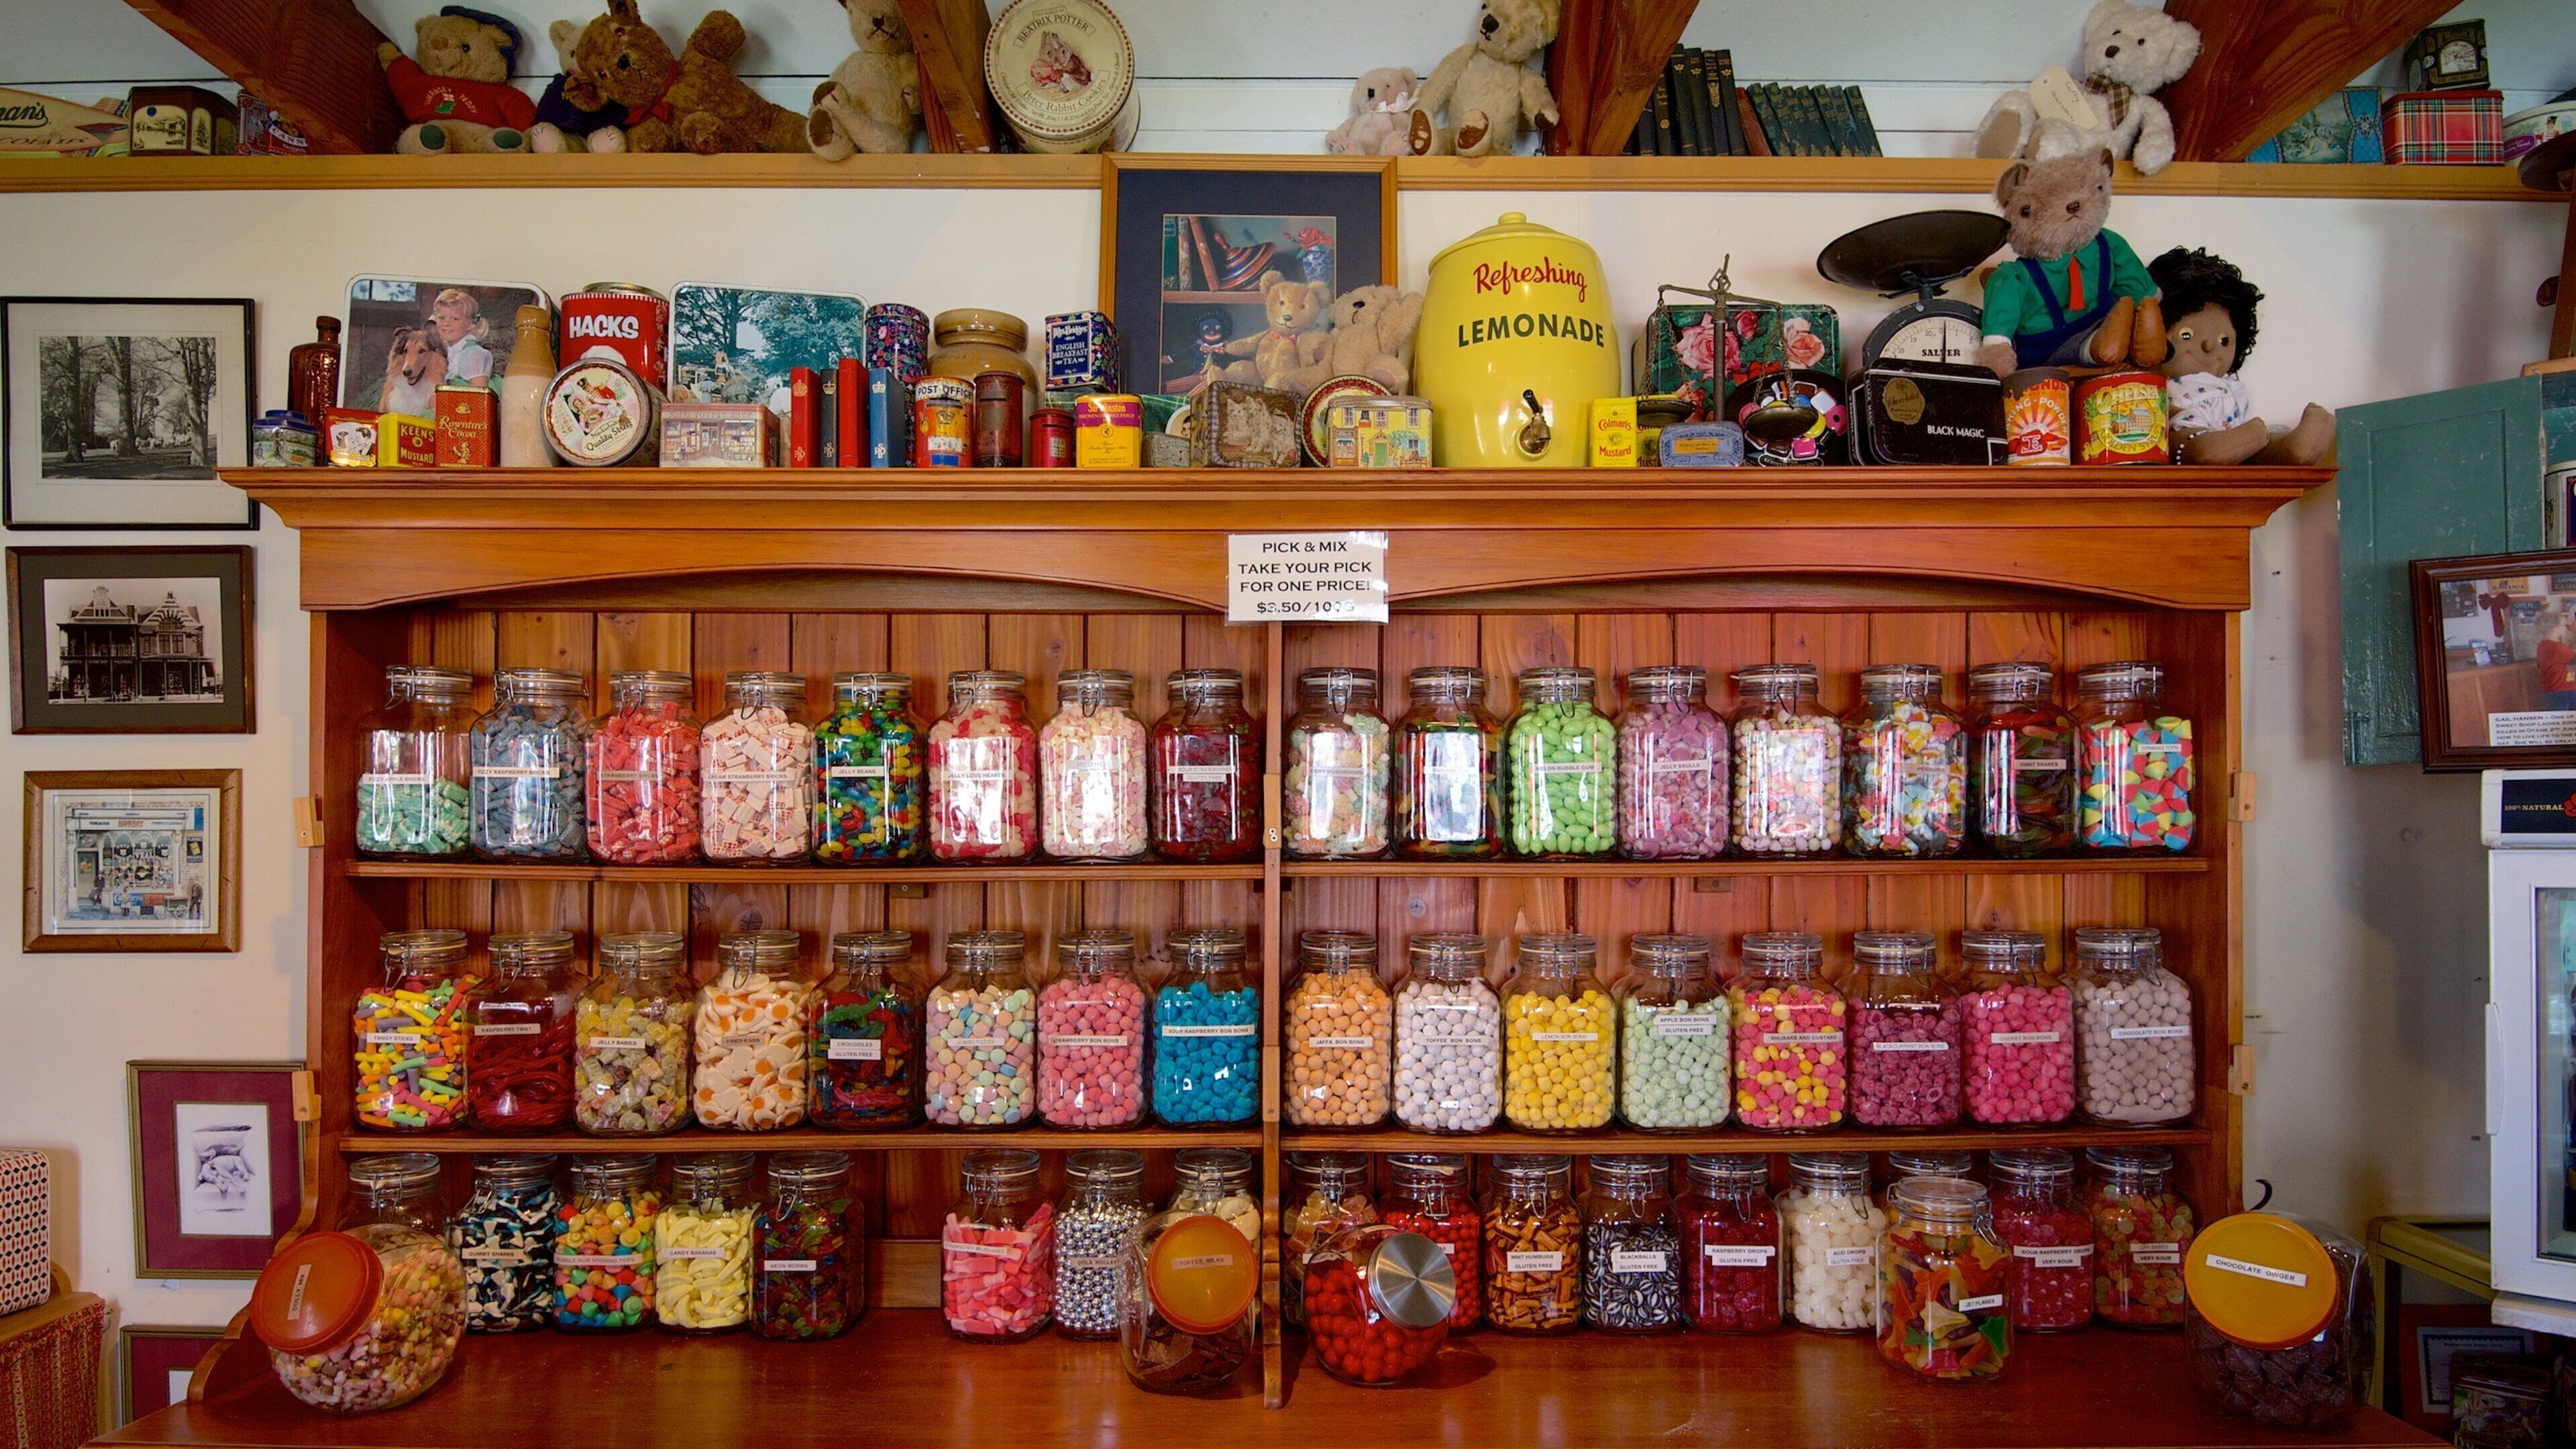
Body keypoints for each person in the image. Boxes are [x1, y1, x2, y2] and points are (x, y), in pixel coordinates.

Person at [431, 288, 496, 388]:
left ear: (470, 324)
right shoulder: (447, 352)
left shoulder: (472, 354)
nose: (446, 323)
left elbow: (479, 396)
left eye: (454, 319)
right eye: (441, 318)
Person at [2537, 610, 2576, 711]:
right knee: (2563, 723)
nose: (2566, 627)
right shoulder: (2557, 648)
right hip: (2560, 692)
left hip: (2557, 690)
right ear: (2555, 629)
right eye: (2563, 625)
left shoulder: (2544, 645)